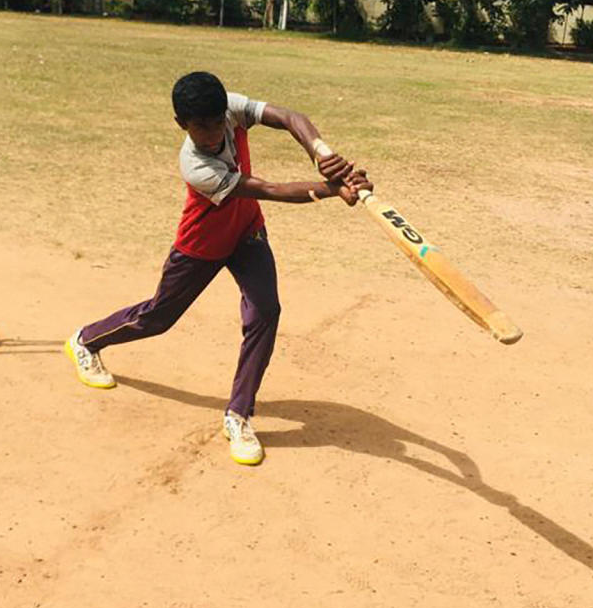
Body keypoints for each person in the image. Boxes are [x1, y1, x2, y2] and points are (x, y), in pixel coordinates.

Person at [65, 70, 372, 466]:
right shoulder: (195, 165)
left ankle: (239, 414)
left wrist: (323, 154)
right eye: (200, 128)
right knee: (159, 317)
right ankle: (86, 341)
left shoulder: (230, 107)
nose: (212, 134)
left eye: (216, 123)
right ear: (181, 125)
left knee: (266, 312)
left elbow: (288, 116)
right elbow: (268, 190)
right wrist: (333, 189)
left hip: (247, 233)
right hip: (201, 246)